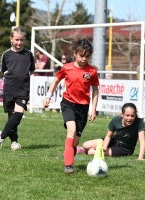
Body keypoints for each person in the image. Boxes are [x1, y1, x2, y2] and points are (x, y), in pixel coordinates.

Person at [43, 39, 100, 174]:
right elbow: (56, 80)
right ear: (75, 53)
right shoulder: (67, 68)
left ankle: (70, 152)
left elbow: (96, 90)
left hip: (83, 107)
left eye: (87, 56)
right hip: (68, 103)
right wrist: (48, 97)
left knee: (75, 141)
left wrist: (93, 109)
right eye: (81, 55)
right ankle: (68, 165)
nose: (84, 59)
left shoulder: (92, 71)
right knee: (71, 130)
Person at [0, 27, 35, 150]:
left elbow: (32, 70)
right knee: (12, 116)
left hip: (23, 89)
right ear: (11, 39)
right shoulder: (6, 54)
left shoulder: (29, 54)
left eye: (22, 40)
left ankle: (1, 136)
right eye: (17, 40)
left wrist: (22, 79)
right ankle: (14, 142)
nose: (19, 42)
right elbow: (4, 70)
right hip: (9, 88)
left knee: (19, 114)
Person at [80, 103, 145, 160]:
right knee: (85, 145)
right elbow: (108, 136)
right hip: (114, 140)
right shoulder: (116, 120)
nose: (130, 118)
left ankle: (84, 151)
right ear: (122, 114)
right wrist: (105, 147)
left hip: (124, 149)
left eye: (132, 116)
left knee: (90, 152)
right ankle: (83, 149)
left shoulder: (139, 122)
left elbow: (142, 141)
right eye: (127, 115)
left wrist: (140, 157)